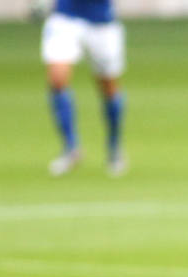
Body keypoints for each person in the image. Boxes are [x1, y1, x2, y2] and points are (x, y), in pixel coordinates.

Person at [39, 0, 127, 177]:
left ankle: (114, 146)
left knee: (108, 88)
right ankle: (71, 148)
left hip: (101, 22)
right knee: (57, 80)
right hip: (65, 18)